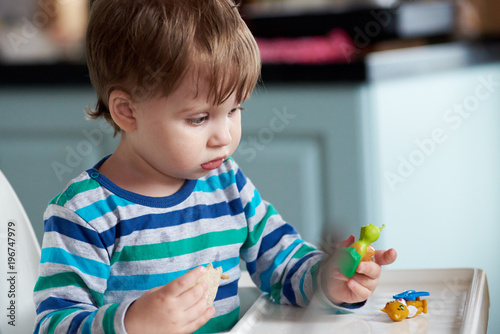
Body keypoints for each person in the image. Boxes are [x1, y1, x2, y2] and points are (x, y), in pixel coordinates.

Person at [33, 0, 397, 333]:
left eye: (235, 110)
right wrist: (134, 321)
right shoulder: (83, 213)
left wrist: (330, 280)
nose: (224, 136)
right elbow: (54, 323)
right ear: (127, 111)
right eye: (199, 118)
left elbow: (284, 265)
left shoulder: (227, 184)